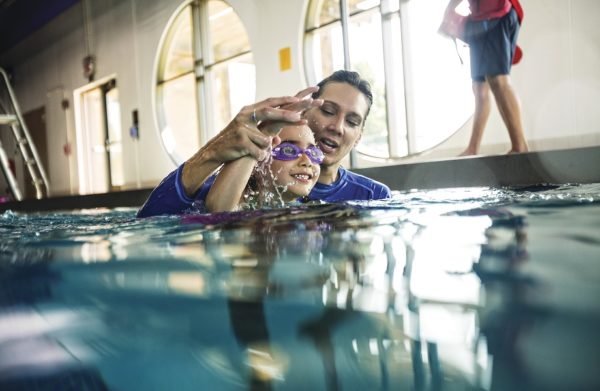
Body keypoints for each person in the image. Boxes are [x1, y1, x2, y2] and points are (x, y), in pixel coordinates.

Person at [137, 70, 391, 218]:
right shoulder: (245, 185)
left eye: (352, 121)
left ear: (358, 136)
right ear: (304, 112)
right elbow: (151, 221)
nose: (337, 126)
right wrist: (215, 152)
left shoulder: (374, 198)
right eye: (328, 111)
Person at [443, 0, 529, 156]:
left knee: (498, 80)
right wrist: (448, 15)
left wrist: (448, 13)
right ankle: (473, 148)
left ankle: (520, 146)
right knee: (479, 87)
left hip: (495, 15)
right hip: (480, 19)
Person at [205, 123, 322, 212]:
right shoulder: (242, 206)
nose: (307, 161)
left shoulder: (310, 208)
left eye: (313, 152)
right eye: (289, 150)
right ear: (258, 161)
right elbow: (219, 212)